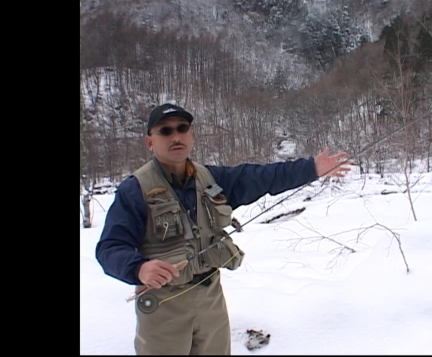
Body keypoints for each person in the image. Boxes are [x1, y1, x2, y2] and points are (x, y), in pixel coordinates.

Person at [95, 103, 351, 355]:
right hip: (164, 306)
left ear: (191, 135)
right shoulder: (134, 190)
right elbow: (110, 248)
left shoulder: (212, 179)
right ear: (149, 142)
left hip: (211, 301)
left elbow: (263, 177)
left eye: (182, 128)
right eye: (165, 131)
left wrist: (312, 169)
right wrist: (138, 268)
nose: (176, 136)